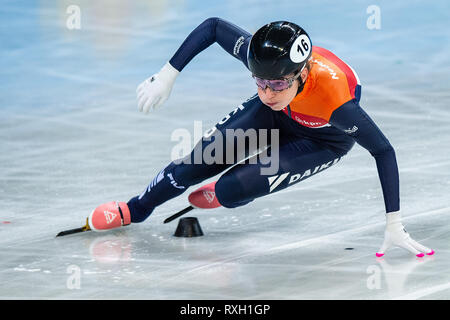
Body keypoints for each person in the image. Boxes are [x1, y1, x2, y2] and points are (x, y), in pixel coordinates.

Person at [88, 17, 434, 258]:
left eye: (278, 83)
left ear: (300, 74)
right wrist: (167, 74)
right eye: (259, 82)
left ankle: (227, 191)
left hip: (321, 140)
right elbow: (213, 27)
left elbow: (383, 151)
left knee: (231, 189)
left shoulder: (335, 101)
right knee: (196, 163)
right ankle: (136, 208)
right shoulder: (267, 64)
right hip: (277, 117)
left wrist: (394, 223)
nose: (268, 91)